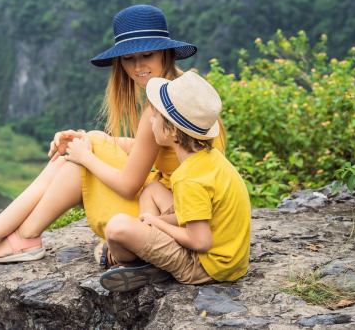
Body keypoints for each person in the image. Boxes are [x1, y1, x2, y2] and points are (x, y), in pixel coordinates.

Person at [0, 5, 225, 270]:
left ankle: (12, 238)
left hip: (176, 216)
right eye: (129, 58)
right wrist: (88, 140)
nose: (137, 66)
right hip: (180, 204)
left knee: (75, 164)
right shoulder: (185, 93)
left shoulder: (156, 110)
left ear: (166, 52)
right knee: (88, 141)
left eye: (147, 55)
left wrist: (86, 156)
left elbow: (130, 184)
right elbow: (162, 150)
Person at [98, 73, 251, 292]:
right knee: (152, 189)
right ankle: (150, 259)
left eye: (155, 117)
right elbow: (194, 215)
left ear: (173, 130)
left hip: (206, 267)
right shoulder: (210, 159)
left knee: (116, 228)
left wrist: (155, 222)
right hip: (229, 260)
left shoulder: (188, 178)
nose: (150, 120)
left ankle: (138, 263)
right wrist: (153, 222)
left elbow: (200, 243)